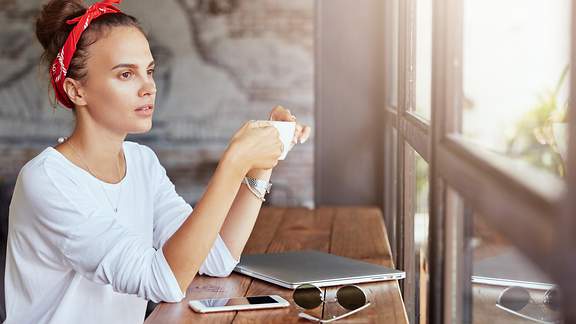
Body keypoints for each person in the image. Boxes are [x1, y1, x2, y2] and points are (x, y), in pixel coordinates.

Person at [3, 0, 311, 323]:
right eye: (126, 74)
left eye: (149, 71)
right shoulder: (48, 181)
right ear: (76, 90)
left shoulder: (142, 163)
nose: (148, 87)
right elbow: (163, 281)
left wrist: (262, 162)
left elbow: (215, 258)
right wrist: (233, 164)